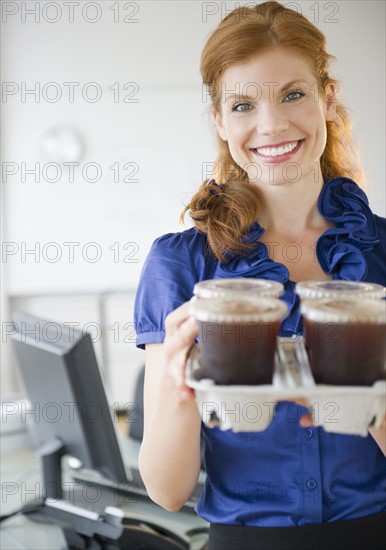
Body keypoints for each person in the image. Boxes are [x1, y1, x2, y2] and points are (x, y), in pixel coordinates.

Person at [133, 2, 386, 549]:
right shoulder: (180, 265)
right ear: (221, 121)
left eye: (293, 94)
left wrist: (363, 389)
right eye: (244, 104)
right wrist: (179, 386)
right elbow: (166, 490)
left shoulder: (383, 252)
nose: (271, 125)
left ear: (328, 98)